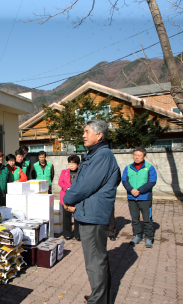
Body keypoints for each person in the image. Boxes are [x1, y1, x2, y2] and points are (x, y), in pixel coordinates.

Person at [63, 119, 120, 304]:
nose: (83, 135)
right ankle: (100, 294)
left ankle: (98, 300)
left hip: (94, 216)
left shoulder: (102, 156)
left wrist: (68, 199)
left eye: (87, 131)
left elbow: (84, 186)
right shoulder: (95, 155)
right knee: (96, 260)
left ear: (99, 135)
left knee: (95, 262)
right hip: (89, 212)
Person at [122, 147, 157, 248]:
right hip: (132, 197)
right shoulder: (128, 168)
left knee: (147, 219)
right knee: (135, 218)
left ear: (144, 156)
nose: (136, 157)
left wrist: (140, 190)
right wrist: (131, 190)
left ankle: (149, 237)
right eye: (135, 155)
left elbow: (152, 182)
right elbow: (124, 180)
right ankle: (137, 236)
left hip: (145, 197)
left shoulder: (150, 167)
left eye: (139, 155)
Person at [58, 155, 81, 241]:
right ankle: (67, 233)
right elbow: (60, 182)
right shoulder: (64, 172)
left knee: (78, 216)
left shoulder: (81, 172)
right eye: (70, 163)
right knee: (66, 216)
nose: (71, 165)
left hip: (77, 196)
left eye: (73, 163)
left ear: (78, 164)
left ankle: (78, 234)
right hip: (66, 195)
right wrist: (67, 188)